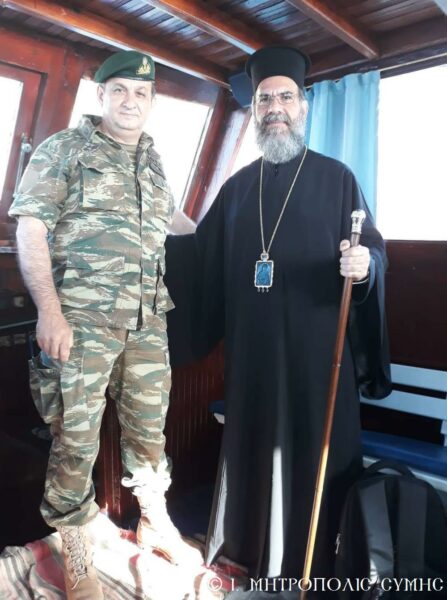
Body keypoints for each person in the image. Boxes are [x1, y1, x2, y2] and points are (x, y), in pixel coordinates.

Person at [165, 45, 391, 586]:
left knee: (317, 459)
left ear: (303, 107)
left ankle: (320, 564)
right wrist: (159, 217)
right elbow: (200, 257)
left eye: (285, 98)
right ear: (254, 111)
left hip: (318, 363)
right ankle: (249, 552)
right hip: (254, 361)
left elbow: (374, 252)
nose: (275, 108)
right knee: (252, 454)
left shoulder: (338, 179)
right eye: (265, 99)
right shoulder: (237, 189)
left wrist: (365, 267)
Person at [9, 50, 201, 600]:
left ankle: (154, 521)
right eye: (120, 90)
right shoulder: (64, 149)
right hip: (81, 321)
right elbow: (30, 227)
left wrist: (224, 234)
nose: (130, 101)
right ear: (102, 95)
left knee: (149, 430)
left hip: (147, 321)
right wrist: (50, 312)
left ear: (152, 101)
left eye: (141, 93)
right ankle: (75, 543)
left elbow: (174, 221)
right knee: (75, 436)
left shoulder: (153, 159)